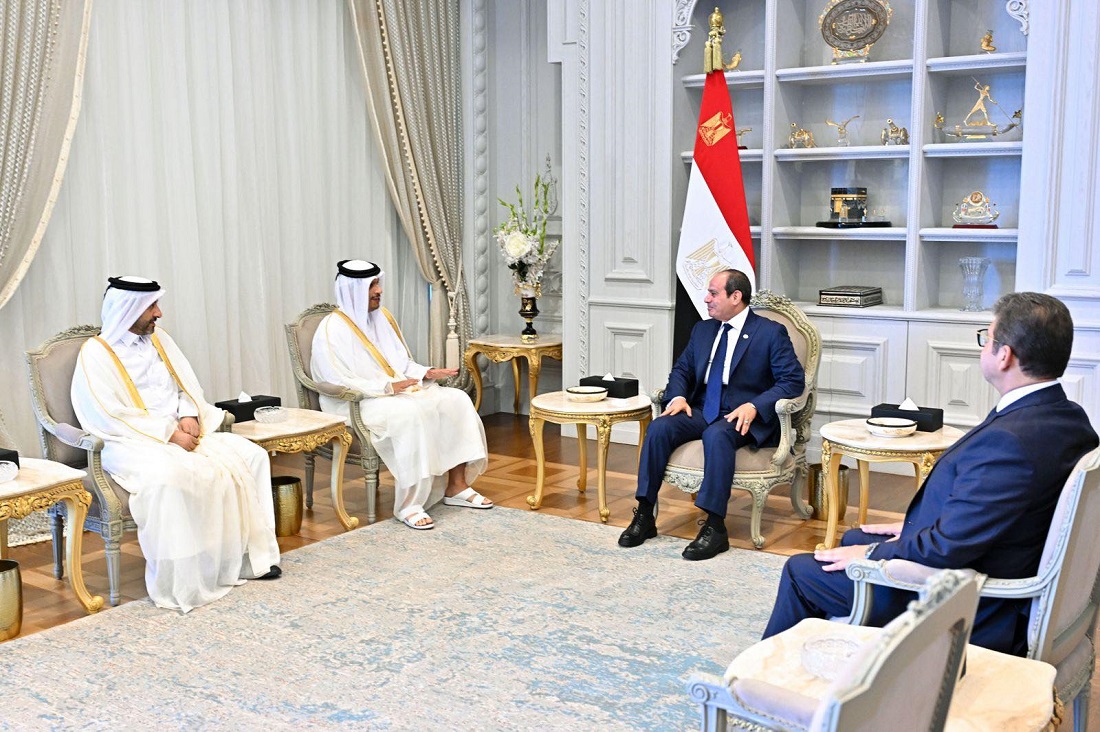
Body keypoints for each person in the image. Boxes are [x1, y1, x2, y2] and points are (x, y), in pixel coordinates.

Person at [762, 292, 1099, 656]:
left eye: (986, 338)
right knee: (853, 537)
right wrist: (909, 529)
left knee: (801, 571)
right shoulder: (1070, 418)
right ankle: (839, 656)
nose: (983, 347)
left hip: (975, 604)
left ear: (1005, 355)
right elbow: (1003, 510)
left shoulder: (1010, 442)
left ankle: (767, 678)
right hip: (997, 555)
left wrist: (873, 553)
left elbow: (947, 547)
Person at [71, 276, 281, 613]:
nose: (159, 313)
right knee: (171, 476)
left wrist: (188, 415)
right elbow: (108, 413)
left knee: (252, 456)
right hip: (129, 442)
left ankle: (252, 558)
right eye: (151, 307)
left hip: (182, 433)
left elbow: (185, 386)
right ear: (128, 309)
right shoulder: (96, 354)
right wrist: (168, 433)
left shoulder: (160, 340)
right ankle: (184, 576)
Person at [619, 269, 805, 560]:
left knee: (717, 435)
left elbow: (792, 381)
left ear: (736, 296)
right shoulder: (703, 330)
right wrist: (678, 397)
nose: (706, 299)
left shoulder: (770, 332)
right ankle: (644, 515)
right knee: (659, 428)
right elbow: (682, 370)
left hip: (742, 413)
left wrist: (755, 405)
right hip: (703, 407)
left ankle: (715, 527)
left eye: (713, 293)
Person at [310, 260, 490, 530]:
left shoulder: (382, 318)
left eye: (378, 283)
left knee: (456, 400)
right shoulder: (330, 329)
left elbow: (400, 364)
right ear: (352, 289)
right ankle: (409, 504)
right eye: (371, 285)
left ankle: (457, 486)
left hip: (395, 393)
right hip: (355, 402)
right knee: (410, 414)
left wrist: (426, 372)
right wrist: (385, 388)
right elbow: (333, 380)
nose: (379, 290)